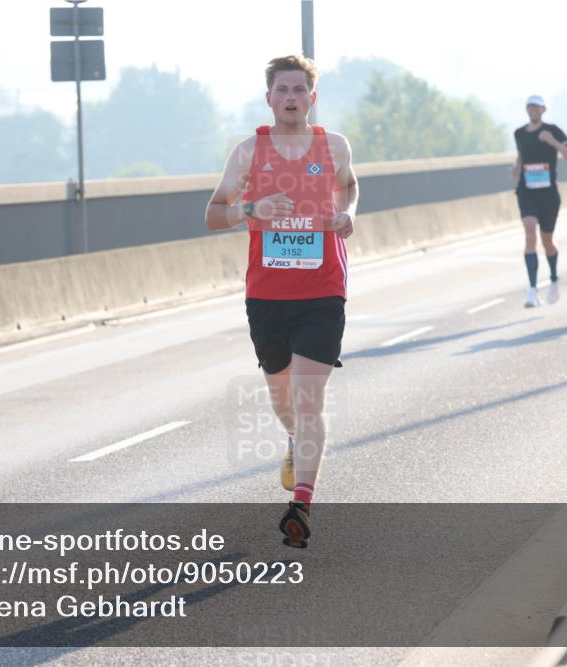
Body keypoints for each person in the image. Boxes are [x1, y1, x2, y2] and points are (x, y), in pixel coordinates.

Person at [205, 55, 358, 548]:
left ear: (312, 98)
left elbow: (349, 187)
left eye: (299, 89)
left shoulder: (333, 146)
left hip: (323, 290)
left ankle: (302, 505)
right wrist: (253, 208)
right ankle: (294, 440)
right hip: (267, 294)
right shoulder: (249, 152)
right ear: (268, 97)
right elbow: (212, 214)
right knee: (283, 397)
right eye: (282, 90)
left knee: (310, 399)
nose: (291, 97)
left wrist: (347, 213)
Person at [510, 95, 567, 307]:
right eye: (530, 107)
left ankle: (554, 277)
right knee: (530, 233)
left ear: (544, 110)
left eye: (537, 107)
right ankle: (532, 289)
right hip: (527, 191)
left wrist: (553, 142)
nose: (533, 110)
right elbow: (522, 153)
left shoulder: (553, 130)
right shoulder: (519, 133)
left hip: (549, 194)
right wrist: (516, 167)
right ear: (526, 109)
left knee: (547, 240)